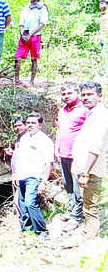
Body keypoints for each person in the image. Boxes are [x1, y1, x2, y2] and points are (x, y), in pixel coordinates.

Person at [72, 81, 108, 239]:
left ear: (100, 96)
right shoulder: (92, 114)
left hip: (91, 170)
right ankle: (89, 235)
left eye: (90, 94)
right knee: (87, 204)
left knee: (90, 207)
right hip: (86, 169)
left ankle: (90, 242)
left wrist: (85, 173)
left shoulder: (100, 116)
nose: (85, 98)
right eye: (83, 94)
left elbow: (95, 147)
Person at [55, 83, 88, 232]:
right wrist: (57, 148)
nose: (66, 96)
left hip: (77, 156)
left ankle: (77, 217)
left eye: (69, 93)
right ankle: (70, 210)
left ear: (77, 93)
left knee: (77, 187)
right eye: (63, 94)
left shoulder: (85, 110)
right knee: (68, 186)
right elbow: (59, 130)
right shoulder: (62, 110)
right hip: (63, 155)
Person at [15, 113, 54, 237]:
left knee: (30, 204)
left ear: (40, 125)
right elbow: (19, 157)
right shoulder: (24, 138)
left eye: (33, 123)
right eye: (28, 123)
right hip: (22, 176)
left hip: (34, 177)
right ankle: (27, 231)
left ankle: (42, 232)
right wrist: (16, 174)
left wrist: (43, 182)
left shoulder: (45, 140)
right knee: (22, 205)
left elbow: (49, 162)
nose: (30, 125)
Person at [14, 0, 49, 85]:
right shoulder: (26, 7)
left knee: (34, 58)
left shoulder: (42, 7)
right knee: (18, 57)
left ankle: (32, 81)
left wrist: (30, 34)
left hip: (35, 36)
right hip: (24, 36)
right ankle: (16, 79)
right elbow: (21, 22)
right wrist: (22, 34)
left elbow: (42, 24)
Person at [4, 117, 27, 223]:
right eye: (15, 126)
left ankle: (26, 225)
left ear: (25, 125)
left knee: (20, 201)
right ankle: (22, 224)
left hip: (23, 175)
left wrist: (19, 174)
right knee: (18, 201)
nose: (17, 128)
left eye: (19, 125)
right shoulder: (19, 139)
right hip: (16, 174)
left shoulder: (28, 139)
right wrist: (12, 153)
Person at [99, 0, 108, 77]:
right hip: (102, 40)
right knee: (104, 58)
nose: (100, 5)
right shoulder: (102, 15)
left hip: (106, 40)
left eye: (102, 3)